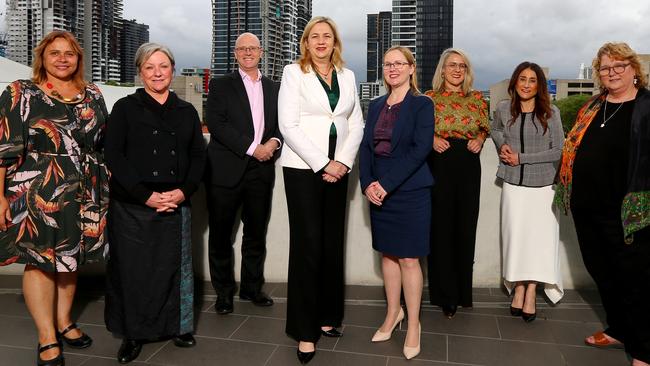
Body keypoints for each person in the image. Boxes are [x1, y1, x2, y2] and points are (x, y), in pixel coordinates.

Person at [0, 30, 108, 366]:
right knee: (41, 260)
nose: (62, 58)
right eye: (55, 53)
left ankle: (64, 321)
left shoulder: (93, 93)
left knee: (70, 258)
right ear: (42, 58)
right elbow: (3, 150)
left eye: (70, 53)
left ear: (79, 59)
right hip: (38, 188)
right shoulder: (20, 92)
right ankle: (47, 335)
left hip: (85, 189)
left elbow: (103, 143)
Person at [104, 43, 205, 364]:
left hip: (176, 200)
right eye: (150, 67)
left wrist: (183, 191)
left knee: (176, 269)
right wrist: (144, 195)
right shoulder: (124, 107)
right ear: (140, 72)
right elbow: (113, 156)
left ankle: (179, 326)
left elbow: (198, 157)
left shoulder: (187, 111)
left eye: (163, 66)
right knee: (132, 271)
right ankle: (133, 333)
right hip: (133, 202)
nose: (157, 73)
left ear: (173, 70)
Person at [556, 42, 650, 366]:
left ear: (634, 70)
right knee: (603, 273)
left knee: (634, 280)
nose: (611, 73)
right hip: (586, 207)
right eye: (605, 68)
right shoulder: (594, 106)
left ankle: (644, 349)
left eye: (619, 66)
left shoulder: (646, 106)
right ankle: (619, 330)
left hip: (628, 213)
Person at [278, 16, 364, 364]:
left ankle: (329, 317)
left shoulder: (348, 75)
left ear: (335, 42)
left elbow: (355, 122)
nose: (321, 41)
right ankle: (304, 331)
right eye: (315, 36)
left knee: (332, 243)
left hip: (339, 169)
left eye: (327, 36)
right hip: (303, 169)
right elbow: (288, 125)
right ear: (306, 41)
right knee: (308, 245)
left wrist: (342, 161)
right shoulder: (292, 72)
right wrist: (322, 162)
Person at [359, 46, 433, 360]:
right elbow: (365, 148)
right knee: (388, 256)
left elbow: (420, 150)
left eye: (399, 64)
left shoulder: (422, 104)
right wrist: (366, 186)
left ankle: (413, 324)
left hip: (410, 191)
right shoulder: (375, 105)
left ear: (411, 68)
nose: (392, 69)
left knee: (409, 260)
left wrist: (386, 185)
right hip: (378, 191)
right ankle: (393, 314)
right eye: (387, 64)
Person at [205, 32, 281, 315]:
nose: (248, 52)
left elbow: (280, 125)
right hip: (225, 171)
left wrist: (273, 144)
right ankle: (224, 293)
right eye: (242, 49)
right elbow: (216, 123)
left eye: (253, 48)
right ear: (235, 54)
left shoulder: (274, 88)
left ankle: (252, 288)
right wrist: (253, 148)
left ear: (261, 52)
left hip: (261, 172)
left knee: (255, 234)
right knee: (222, 236)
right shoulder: (221, 85)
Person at [491, 62, 564, 322]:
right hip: (512, 185)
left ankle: (532, 290)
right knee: (517, 240)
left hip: (543, 187)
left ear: (539, 85)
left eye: (532, 80)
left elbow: (558, 151)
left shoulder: (551, 112)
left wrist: (521, 157)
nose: (526, 84)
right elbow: (495, 129)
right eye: (522, 79)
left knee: (537, 242)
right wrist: (504, 147)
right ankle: (518, 287)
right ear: (514, 82)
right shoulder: (503, 108)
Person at [425, 48, 489, 318]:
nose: (456, 70)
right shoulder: (428, 99)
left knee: (465, 227)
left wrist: (481, 139)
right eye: (451, 65)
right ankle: (443, 294)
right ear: (442, 69)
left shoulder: (477, 98)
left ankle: (462, 293)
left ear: (467, 70)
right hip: (439, 162)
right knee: (440, 229)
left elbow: (484, 128)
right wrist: (430, 140)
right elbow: (418, 130)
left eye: (462, 65)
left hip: (468, 164)